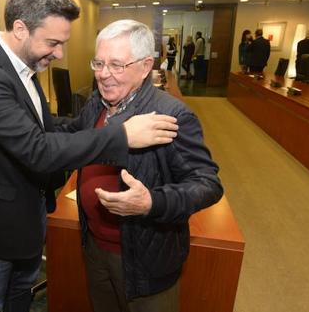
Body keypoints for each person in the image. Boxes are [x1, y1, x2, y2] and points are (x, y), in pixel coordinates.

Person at [0, 0, 179, 312]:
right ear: (20, 29)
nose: (59, 53)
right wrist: (122, 135)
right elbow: (38, 149)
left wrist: (86, 125)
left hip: (26, 215)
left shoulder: (22, 69)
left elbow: (43, 127)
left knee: (19, 297)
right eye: (53, 42)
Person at [61, 20, 223, 312]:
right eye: (98, 63)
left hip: (145, 261)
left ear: (146, 65)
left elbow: (207, 184)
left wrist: (152, 202)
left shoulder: (171, 115)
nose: (103, 75)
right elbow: (75, 135)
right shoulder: (97, 103)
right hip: (95, 248)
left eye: (117, 65)